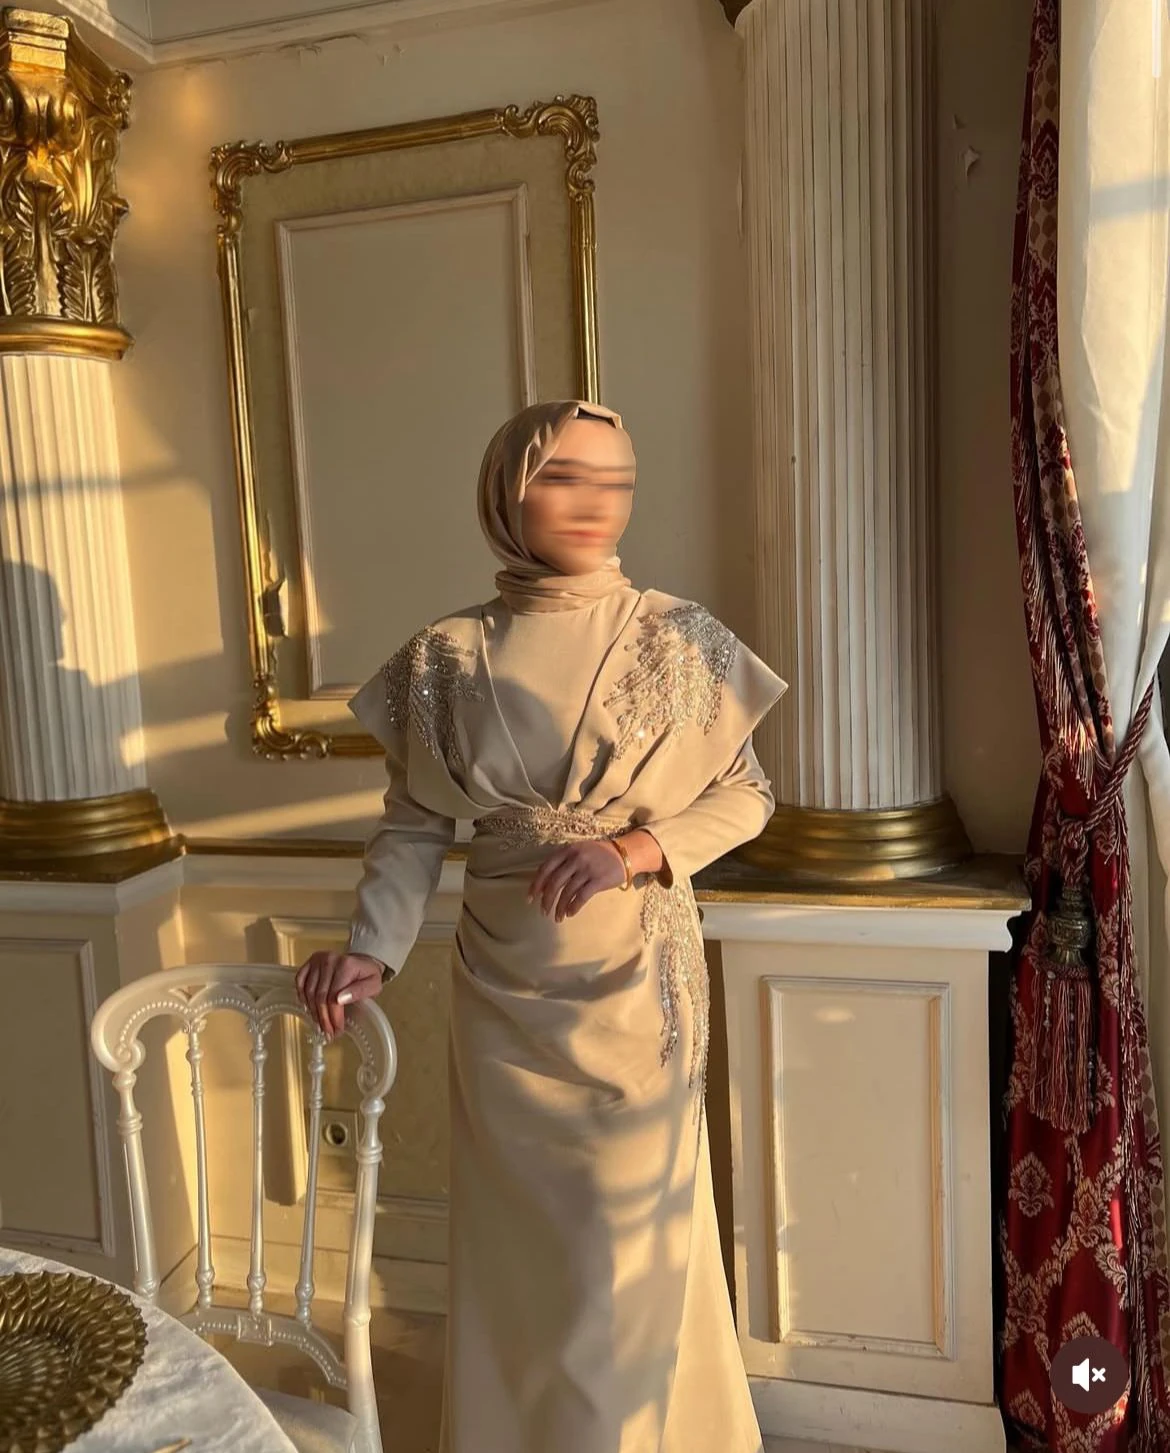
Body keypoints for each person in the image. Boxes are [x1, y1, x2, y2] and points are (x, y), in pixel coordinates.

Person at [296, 399, 786, 1452]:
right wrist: (372, 950)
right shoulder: (445, 656)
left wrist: (635, 849)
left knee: (625, 1252)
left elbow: (747, 795)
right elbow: (414, 823)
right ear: (506, 491)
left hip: (635, 990)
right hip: (500, 995)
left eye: (618, 480)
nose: (597, 502)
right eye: (565, 475)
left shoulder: (678, 635)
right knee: (523, 1261)